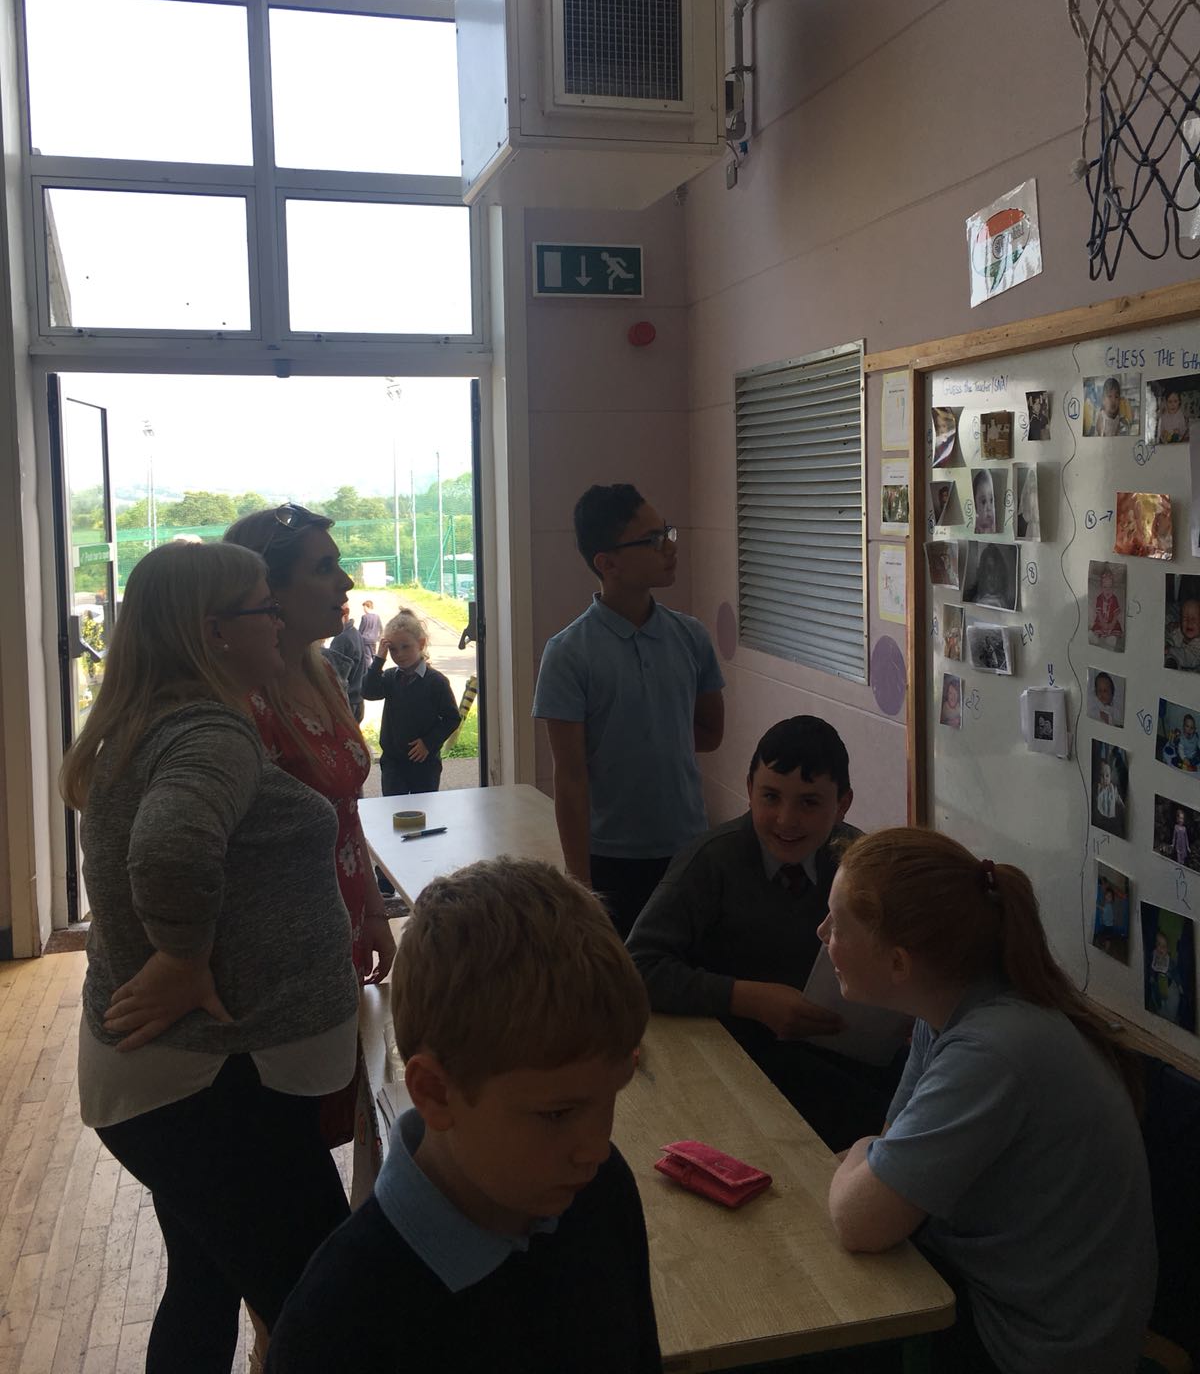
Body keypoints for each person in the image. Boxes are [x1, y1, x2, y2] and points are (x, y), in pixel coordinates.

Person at [61, 542, 359, 1374]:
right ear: (214, 631)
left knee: (203, 1282)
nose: (279, 622)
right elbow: (170, 847)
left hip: (199, 1080)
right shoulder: (209, 731)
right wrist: (181, 958)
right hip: (215, 1084)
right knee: (330, 1316)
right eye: (265, 607)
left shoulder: (156, 722)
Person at [265, 860, 662, 1373]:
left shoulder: (602, 1191)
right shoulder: (334, 1329)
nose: (596, 1147)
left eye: (613, 1093)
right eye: (558, 1113)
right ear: (435, 1093)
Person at [823, 828, 1155, 1374]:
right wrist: (871, 1159)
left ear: (900, 963)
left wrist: (861, 1151)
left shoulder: (990, 1051)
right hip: (995, 1297)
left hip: (1033, 1349)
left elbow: (861, 1219)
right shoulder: (949, 1008)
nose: (822, 934)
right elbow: (889, 1155)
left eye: (838, 925)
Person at [627, 717, 903, 1150]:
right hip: (738, 1052)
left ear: (843, 804)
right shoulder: (710, 862)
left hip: (844, 1049)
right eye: (770, 797)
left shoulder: (859, 864)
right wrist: (750, 999)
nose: (786, 820)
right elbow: (636, 968)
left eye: (810, 802)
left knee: (903, 1108)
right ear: (749, 788)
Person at [533, 484, 725, 937]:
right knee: (618, 972)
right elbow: (570, 778)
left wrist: (653, 737)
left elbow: (710, 733)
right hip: (610, 859)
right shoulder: (567, 652)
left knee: (684, 968)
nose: (670, 547)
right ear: (607, 563)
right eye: (653, 539)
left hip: (687, 849)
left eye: (667, 532)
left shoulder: (691, 636)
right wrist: (580, 886)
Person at [224, 506, 394, 985]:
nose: (346, 582)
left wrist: (374, 910)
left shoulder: (327, 676)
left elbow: (348, 815)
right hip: (284, 944)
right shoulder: (242, 703)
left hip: (345, 914)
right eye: (324, 568)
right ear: (267, 592)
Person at [363, 610, 461, 796]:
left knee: (424, 807)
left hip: (425, 763)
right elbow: (368, 692)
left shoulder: (436, 681)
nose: (399, 654)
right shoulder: (390, 678)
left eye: (405, 647)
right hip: (393, 762)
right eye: (393, 649)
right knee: (394, 808)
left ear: (421, 644)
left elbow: (451, 718)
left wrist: (428, 742)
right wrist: (379, 660)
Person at [326, 600, 371, 721]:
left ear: (345, 613)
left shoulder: (341, 639)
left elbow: (333, 676)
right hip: (358, 701)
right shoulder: (355, 632)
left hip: (348, 703)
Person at [1090, 565, 1123, 647]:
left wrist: (1111, 625)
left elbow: (1116, 614)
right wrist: (1103, 624)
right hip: (1101, 621)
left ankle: (1111, 638)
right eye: (1105, 587)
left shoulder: (1114, 598)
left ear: (1113, 588)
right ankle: (1095, 637)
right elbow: (1099, 614)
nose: (1108, 590)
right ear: (1101, 588)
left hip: (1112, 622)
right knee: (1096, 628)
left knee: (1115, 631)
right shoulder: (1099, 598)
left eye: (1110, 587)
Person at [1165, 594, 1200, 670]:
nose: (1189, 622)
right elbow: (1170, 634)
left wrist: (1170, 650)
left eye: (1194, 619)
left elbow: (1189, 658)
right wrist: (1170, 627)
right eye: (1184, 618)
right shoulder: (1179, 631)